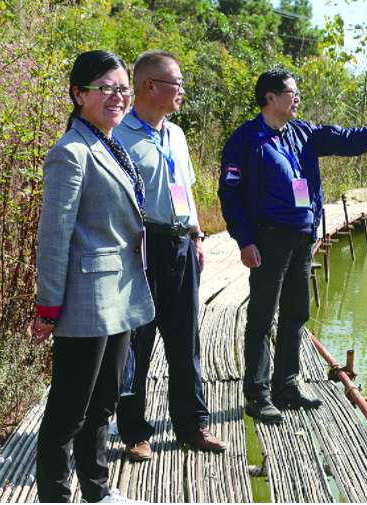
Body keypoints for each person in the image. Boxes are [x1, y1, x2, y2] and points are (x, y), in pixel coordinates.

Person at [218, 68, 367, 423]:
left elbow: (349, 138)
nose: (297, 98)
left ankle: (286, 384)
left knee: (296, 313)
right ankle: (256, 396)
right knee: (261, 318)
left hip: (303, 237)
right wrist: (244, 240)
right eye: (291, 92)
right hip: (268, 239)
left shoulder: (303, 133)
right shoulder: (245, 140)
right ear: (270, 97)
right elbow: (230, 194)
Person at [32, 50, 154, 503]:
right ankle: (56, 498)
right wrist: (48, 306)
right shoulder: (71, 152)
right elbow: (54, 235)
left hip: (119, 294)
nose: (118, 96)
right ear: (79, 94)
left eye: (123, 88)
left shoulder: (107, 142)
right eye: (106, 87)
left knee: (104, 402)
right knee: (68, 411)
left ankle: (97, 492)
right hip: (85, 299)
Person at [113, 50, 227, 461]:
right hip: (142, 247)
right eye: (176, 83)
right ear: (150, 87)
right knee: (137, 345)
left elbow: (187, 190)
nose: (181, 91)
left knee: (186, 342)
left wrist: (197, 236)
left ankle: (193, 424)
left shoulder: (175, 135)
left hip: (181, 245)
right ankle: (134, 431)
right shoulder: (118, 134)